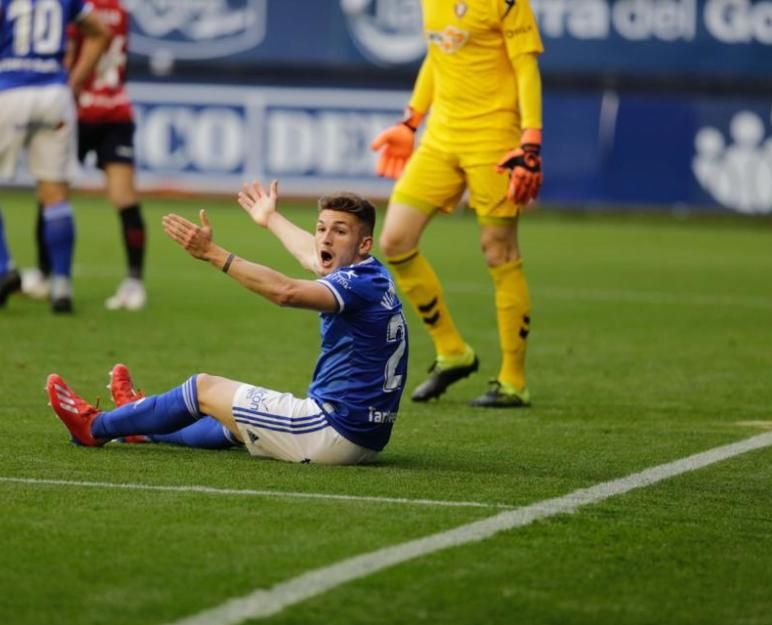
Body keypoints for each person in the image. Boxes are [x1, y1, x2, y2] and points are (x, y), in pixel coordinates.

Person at [46, 182, 409, 465]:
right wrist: (270, 218)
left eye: (339, 231)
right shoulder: (370, 273)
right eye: (321, 228)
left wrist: (212, 254)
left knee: (204, 388)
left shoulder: (354, 284)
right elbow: (311, 254)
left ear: (363, 243)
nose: (325, 238)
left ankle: (94, 427)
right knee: (231, 420)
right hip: (363, 437)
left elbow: (285, 292)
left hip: (330, 431)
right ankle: (140, 422)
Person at [370, 0, 544, 407]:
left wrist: (529, 141)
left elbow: (525, 67)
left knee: (498, 251)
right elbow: (438, 55)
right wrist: (411, 119)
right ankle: (453, 352)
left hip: (493, 137)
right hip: (441, 137)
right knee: (395, 241)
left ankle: (513, 381)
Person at [0, 0, 108, 313]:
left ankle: (3, 269)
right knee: (55, 195)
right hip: (54, 95)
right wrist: (76, 82)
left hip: (8, 89)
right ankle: (62, 285)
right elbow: (100, 32)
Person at [23, 0, 148, 310]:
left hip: (76, 111)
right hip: (116, 108)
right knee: (124, 198)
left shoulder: (76, 8)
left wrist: (68, 88)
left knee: (52, 194)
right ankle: (134, 282)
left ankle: (44, 275)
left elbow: (66, 54)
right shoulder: (119, 9)